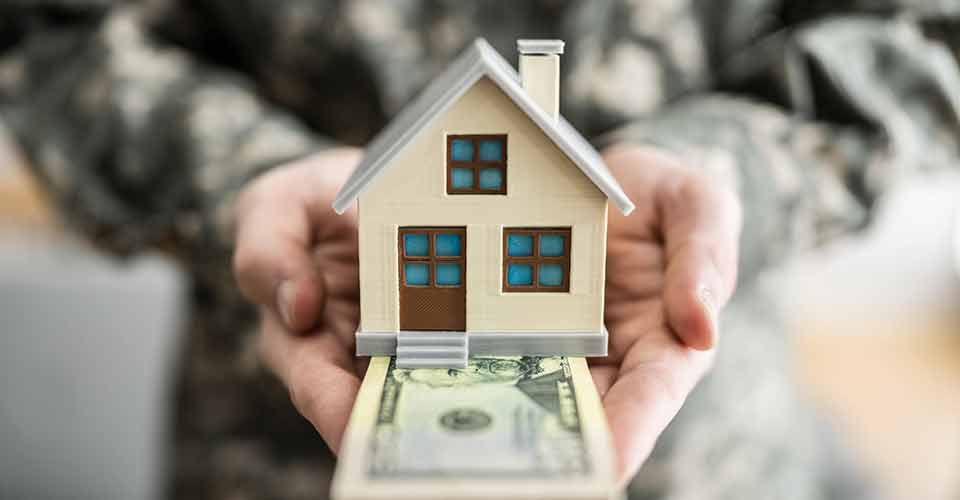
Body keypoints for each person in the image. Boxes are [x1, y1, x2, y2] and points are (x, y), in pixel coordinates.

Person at [2, 1, 958, 498]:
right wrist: (242, 173)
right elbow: (49, 32)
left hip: (690, 422)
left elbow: (924, 27)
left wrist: (733, 162)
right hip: (275, 418)